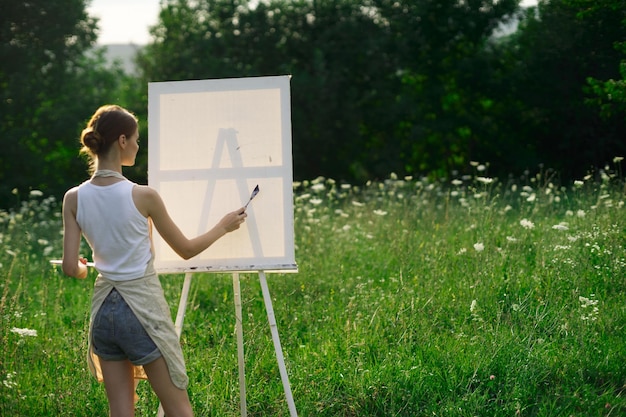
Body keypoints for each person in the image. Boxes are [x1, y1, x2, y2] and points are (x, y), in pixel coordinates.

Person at [62, 104, 247, 417]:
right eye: (135, 139)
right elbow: (185, 249)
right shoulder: (143, 195)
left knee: (121, 411)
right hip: (141, 310)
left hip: (103, 311)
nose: (137, 145)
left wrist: (83, 268)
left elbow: (71, 268)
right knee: (179, 410)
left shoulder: (74, 197)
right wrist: (223, 227)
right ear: (121, 140)